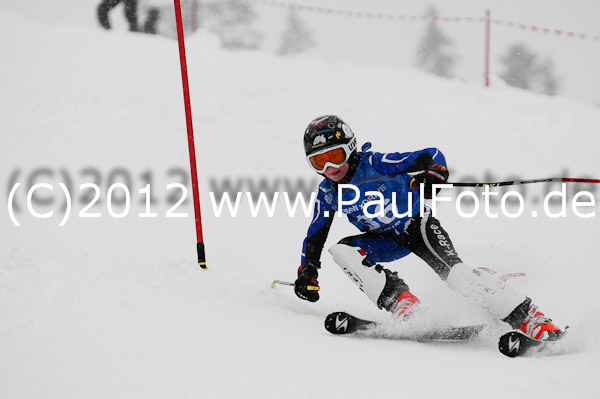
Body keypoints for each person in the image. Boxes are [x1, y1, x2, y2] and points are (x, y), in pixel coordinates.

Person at [294, 115, 564, 341]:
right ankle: (403, 305)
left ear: (350, 148)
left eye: (336, 156)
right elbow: (316, 234)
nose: (330, 167)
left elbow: (429, 155)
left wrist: (434, 174)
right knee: (342, 250)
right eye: (320, 162)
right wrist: (308, 271)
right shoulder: (328, 192)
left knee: (456, 276)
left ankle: (531, 318)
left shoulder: (376, 163)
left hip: (417, 226)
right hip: (383, 241)